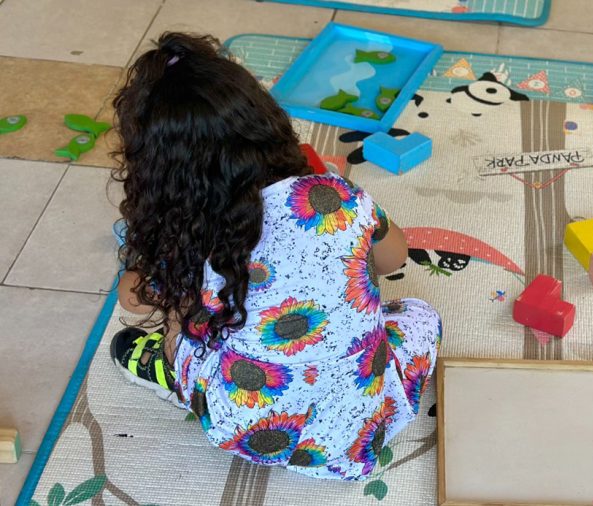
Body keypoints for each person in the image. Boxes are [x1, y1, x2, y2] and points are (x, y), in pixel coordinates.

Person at [109, 32, 440, 479]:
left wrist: (151, 264)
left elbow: (131, 298)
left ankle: (176, 377)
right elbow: (394, 258)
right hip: (362, 419)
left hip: (255, 426)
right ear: (265, 121)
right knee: (420, 316)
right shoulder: (335, 195)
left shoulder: (188, 240)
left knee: (182, 317)